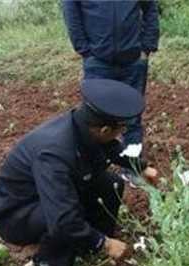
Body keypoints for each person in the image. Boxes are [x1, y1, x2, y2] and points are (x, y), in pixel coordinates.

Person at [0, 79, 156, 266]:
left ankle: (92, 242)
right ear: (104, 129)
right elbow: (62, 218)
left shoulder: (82, 124)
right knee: (65, 216)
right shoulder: (54, 153)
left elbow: (110, 146)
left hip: (45, 193)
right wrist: (103, 244)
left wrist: (140, 166)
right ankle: (51, 265)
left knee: (110, 183)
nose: (119, 134)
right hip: (16, 214)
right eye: (119, 129)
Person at [62, 0, 160, 185]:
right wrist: (84, 50)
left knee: (132, 118)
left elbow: (150, 8)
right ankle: (93, 170)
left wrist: (147, 47)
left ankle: (132, 169)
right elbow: (71, 10)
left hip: (133, 61)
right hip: (97, 61)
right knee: (95, 118)